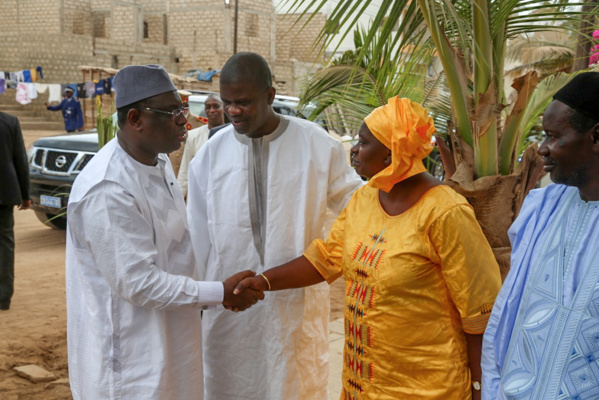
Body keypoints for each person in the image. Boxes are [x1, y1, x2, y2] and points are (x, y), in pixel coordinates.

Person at [234, 96, 502, 400]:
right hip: (362, 387)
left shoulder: (446, 213)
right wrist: (265, 281)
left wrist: (481, 389)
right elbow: (326, 258)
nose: (354, 150)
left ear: (391, 153)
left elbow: (480, 314)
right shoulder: (366, 198)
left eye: (363, 142)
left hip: (428, 388)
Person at [65, 64, 263, 400]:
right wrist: (219, 292)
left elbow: (176, 250)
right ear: (135, 120)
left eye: (182, 109)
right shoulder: (108, 189)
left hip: (174, 340)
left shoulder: (156, 163)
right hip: (132, 360)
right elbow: (138, 283)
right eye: (171, 112)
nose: (184, 121)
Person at [187, 52, 364, 400]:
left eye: (244, 102)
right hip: (231, 310)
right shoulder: (209, 155)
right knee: (229, 387)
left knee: (294, 386)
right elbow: (198, 238)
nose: (233, 111)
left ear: (270, 95)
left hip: (295, 309)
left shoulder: (317, 145)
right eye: (227, 103)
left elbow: (358, 207)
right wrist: (206, 298)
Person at [481, 72, 599, 400]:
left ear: (596, 136)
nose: (542, 150)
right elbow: (512, 309)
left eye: (552, 136)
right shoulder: (541, 209)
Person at [0, 111, 31, 311]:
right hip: (4, 193)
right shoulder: (10, 121)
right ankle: (3, 297)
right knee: (4, 244)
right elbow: (20, 158)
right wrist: (25, 194)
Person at [177, 93, 224, 198]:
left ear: (224, 108)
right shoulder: (194, 136)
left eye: (216, 106)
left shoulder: (234, 135)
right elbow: (185, 172)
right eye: (208, 107)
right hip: (200, 196)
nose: (211, 110)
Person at [168, 89, 206, 177]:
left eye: (183, 107)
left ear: (187, 106)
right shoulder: (169, 121)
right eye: (176, 109)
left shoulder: (199, 123)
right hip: (172, 172)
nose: (181, 111)